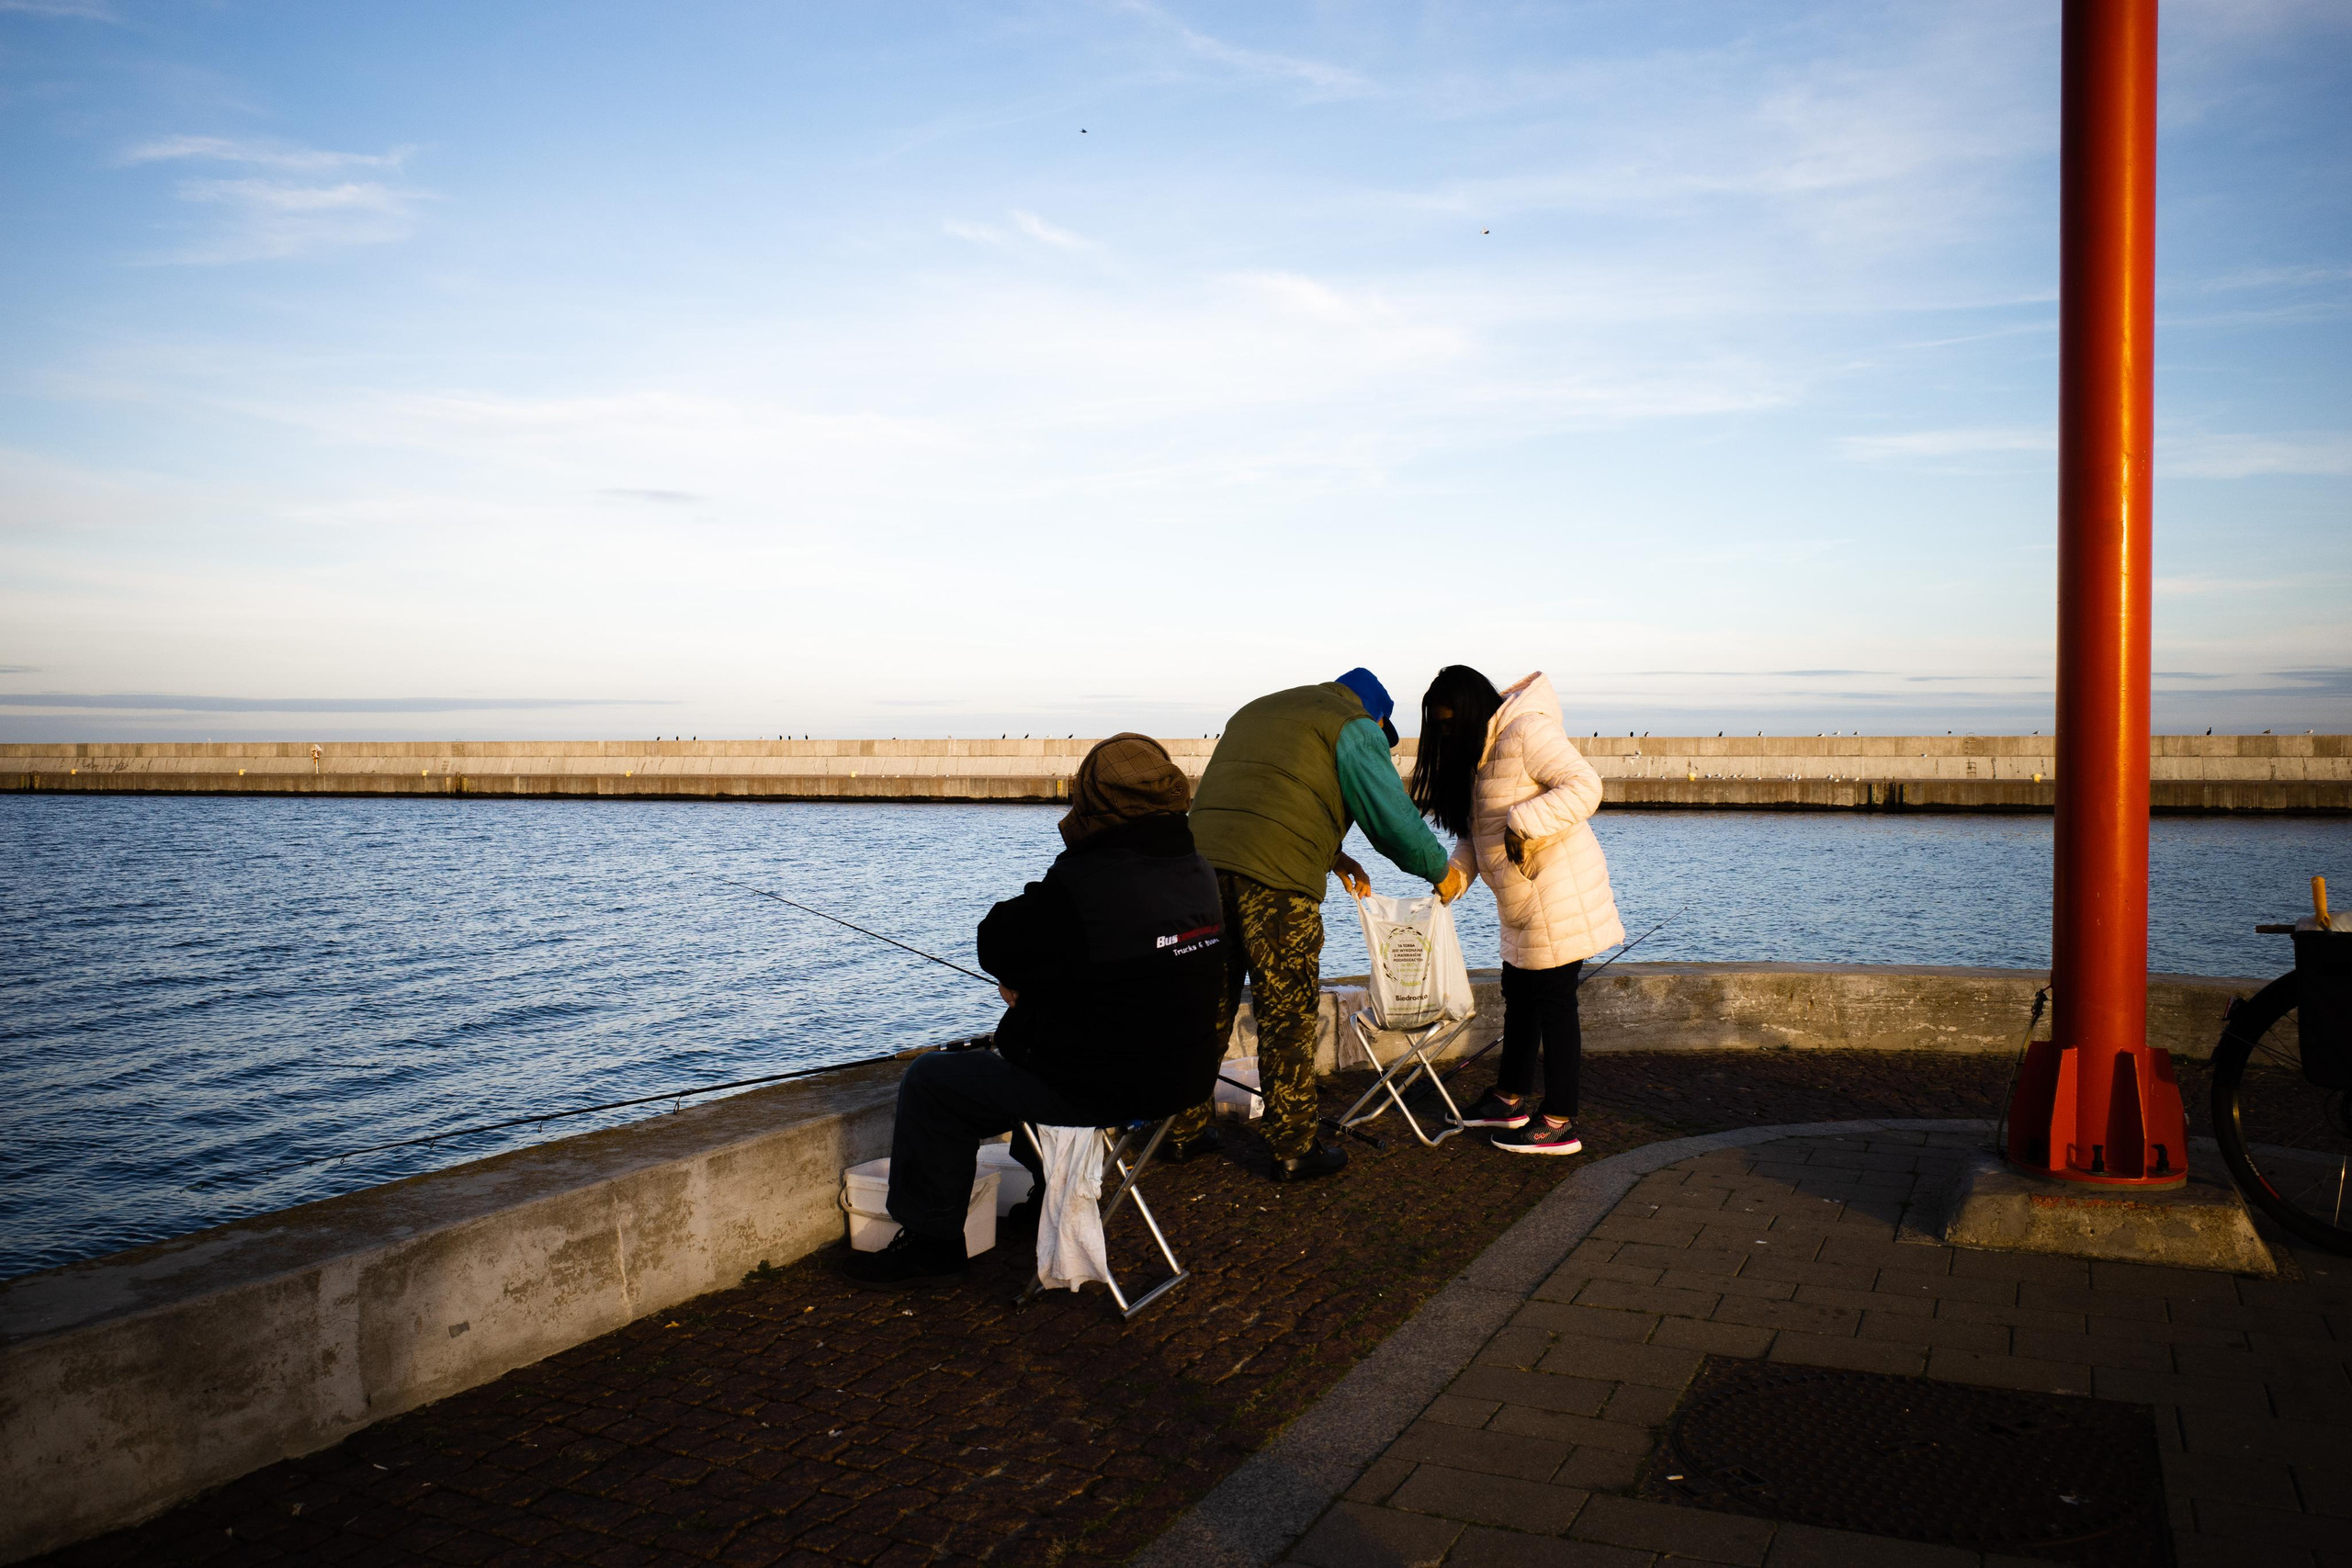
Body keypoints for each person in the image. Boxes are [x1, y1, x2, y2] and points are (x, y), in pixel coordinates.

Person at [843, 733, 1227, 1288]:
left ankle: (933, 1242)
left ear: (1091, 798)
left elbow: (997, 940)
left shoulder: (1090, 878)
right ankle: (1044, 1194)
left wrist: (1029, 974)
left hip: (1104, 1085)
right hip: (1185, 1078)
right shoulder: (1197, 869)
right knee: (1040, 1046)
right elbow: (1129, 966)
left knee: (933, 1082)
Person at [1162, 668, 1471, 1182]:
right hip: (1277, 883)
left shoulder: (1260, 708)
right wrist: (1441, 872)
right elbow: (1390, 817)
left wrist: (1334, 855)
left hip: (1198, 873)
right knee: (1286, 1011)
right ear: (1375, 715)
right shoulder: (1354, 726)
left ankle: (1182, 1131)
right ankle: (1293, 1144)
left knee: (1206, 1004)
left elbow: (1266, 800)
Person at [1409, 666, 1623, 1156]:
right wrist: (1456, 876)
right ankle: (1510, 1099)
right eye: (1436, 725)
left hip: (1557, 890)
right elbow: (1474, 832)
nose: (1442, 733)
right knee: (1520, 996)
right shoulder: (1480, 755)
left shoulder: (1527, 731)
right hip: (1522, 898)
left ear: (1467, 713)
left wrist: (1523, 821)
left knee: (1553, 1003)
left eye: (1446, 723)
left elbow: (1585, 786)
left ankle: (1561, 1121)